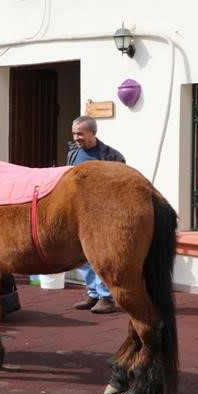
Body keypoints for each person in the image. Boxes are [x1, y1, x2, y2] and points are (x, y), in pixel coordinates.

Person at [68, 115, 126, 315]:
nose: (77, 138)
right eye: (74, 133)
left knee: (101, 258)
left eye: (81, 134)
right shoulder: (73, 154)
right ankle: (93, 293)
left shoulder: (111, 156)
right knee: (83, 257)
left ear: (93, 133)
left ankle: (106, 298)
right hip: (79, 215)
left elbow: (122, 186)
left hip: (103, 216)